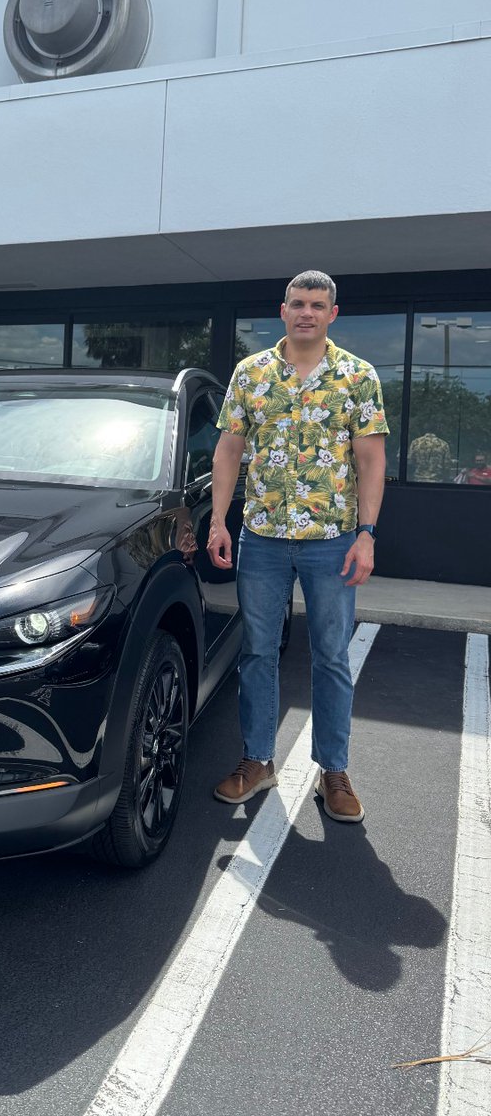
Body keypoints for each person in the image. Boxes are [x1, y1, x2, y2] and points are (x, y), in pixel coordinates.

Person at [207, 270, 388, 822]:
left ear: (333, 314)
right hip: (261, 538)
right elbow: (229, 449)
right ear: (281, 310)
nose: (306, 312)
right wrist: (218, 520)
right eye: (297, 304)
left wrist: (367, 534)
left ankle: (333, 771)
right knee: (257, 652)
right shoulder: (251, 373)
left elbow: (370, 460)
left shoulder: (357, 376)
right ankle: (258, 761)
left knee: (332, 656)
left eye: (317, 305)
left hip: (331, 541)